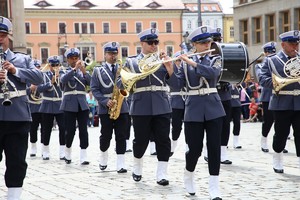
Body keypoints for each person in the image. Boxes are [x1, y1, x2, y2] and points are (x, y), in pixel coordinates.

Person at [168, 26, 225, 199]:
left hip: (214, 108)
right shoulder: (184, 66)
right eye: (203, 43)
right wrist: (170, 68)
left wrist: (192, 62)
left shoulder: (215, 59)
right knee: (194, 149)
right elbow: (177, 86)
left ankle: (214, 187)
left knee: (214, 148)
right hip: (193, 109)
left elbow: (212, 74)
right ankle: (189, 174)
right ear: (194, 44)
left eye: (209, 42)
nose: (208, 45)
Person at [0, 16, 43, 199]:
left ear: (8, 36)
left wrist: (15, 71)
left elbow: (39, 78)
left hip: (17, 117)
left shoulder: (22, 59)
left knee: (17, 161)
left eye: (2, 35)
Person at [122, 28, 172, 186]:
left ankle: (162, 173)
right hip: (141, 105)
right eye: (151, 42)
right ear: (142, 43)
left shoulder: (163, 60)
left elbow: (176, 83)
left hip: (162, 104)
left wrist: (170, 68)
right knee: (140, 140)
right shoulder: (131, 62)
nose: (154, 45)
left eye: (156, 42)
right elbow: (121, 84)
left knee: (163, 140)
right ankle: (137, 167)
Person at [260, 30, 300, 173]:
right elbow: (262, 78)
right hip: (281, 101)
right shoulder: (272, 60)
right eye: (291, 44)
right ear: (283, 45)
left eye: (297, 44)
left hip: (299, 101)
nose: (295, 47)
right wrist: (276, 83)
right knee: (281, 133)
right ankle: (277, 158)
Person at [90, 41, 129, 173]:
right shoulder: (98, 70)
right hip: (105, 107)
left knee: (121, 135)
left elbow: (128, 85)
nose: (113, 56)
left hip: (122, 106)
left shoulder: (123, 69)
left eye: (115, 53)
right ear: (105, 55)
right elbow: (94, 89)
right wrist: (104, 101)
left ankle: (121, 163)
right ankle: (103, 158)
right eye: (110, 53)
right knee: (105, 135)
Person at [60, 47, 91, 165]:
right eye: (72, 58)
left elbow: (91, 83)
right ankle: (67, 153)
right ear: (67, 60)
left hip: (82, 103)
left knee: (84, 130)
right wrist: (74, 69)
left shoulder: (83, 71)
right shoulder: (64, 70)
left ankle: (84, 155)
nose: (74, 60)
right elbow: (63, 80)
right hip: (69, 103)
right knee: (70, 130)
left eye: (76, 58)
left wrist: (84, 71)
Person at [210, 27, 232, 164]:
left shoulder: (226, 56)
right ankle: (208, 150)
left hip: (224, 93)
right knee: (210, 124)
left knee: (225, 124)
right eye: (215, 41)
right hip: (210, 94)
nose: (218, 43)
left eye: (219, 40)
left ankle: (223, 152)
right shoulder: (204, 58)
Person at [38, 56, 66, 160]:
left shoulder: (63, 75)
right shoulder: (43, 75)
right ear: (49, 65)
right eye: (53, 65)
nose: (55, 67)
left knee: (63, 128)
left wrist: (59, 78)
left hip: (59, 104)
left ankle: (63, 151)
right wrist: (51, 82)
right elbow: (39, 88)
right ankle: (45, 150)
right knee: (46, 129)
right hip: (47, 104)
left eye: (57, 65)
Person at [169, 51, 186, 157]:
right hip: (176, 101)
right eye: (179, 60)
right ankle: (173, 145)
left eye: (182, 60)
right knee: (176, 126)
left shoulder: (187, 68)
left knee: (190, 126)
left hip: (188, 100)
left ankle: (189, 146)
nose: (180, 62)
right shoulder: (172, 70)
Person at [27, 59, 43, 157]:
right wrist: (30, 88)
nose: (37, 69)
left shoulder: (43, 77)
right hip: (32, 106)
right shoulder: (28, 79)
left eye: (38, 67)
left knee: (44, 129)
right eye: (35, 67)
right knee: (33, 128)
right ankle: (33, 147)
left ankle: (43, 146)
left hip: (42, 105)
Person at [230, 84, 242, 148]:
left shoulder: (239, 85)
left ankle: (236, 141)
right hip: (228, 104)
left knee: (237, 123)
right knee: (225, 124)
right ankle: (223, 141)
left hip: (237, 104)